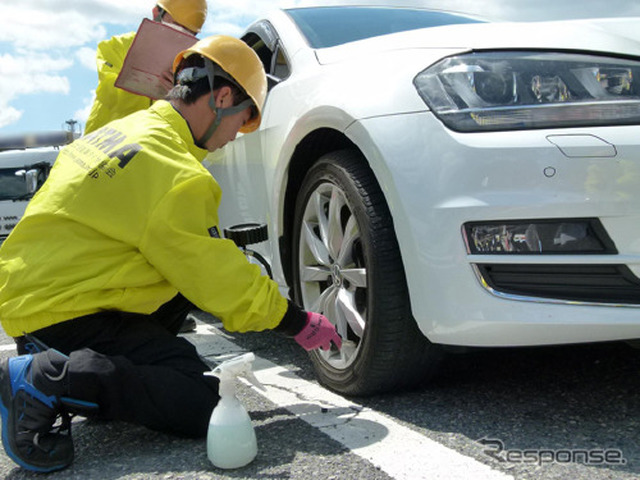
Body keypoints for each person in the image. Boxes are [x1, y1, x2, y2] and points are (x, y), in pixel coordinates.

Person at [0, 35, 342, 473]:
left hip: (41, 296)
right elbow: (213, 274)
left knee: (177, 357)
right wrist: (295, 320)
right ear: (221, 97)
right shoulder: (174, 172)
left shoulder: (124, 132)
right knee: (201, 401)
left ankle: (70, 370)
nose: (233, 138)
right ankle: (48, 379)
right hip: (61, 311)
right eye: (240, 122)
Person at [83, 0, 208, 135]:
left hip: (148, 145)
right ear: (156, 14)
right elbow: (110, 92)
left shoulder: (190, 68)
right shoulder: (118, 46)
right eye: (177, 27)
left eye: (190, 34)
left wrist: (180, 99)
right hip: (103, 138)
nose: (179, 37)